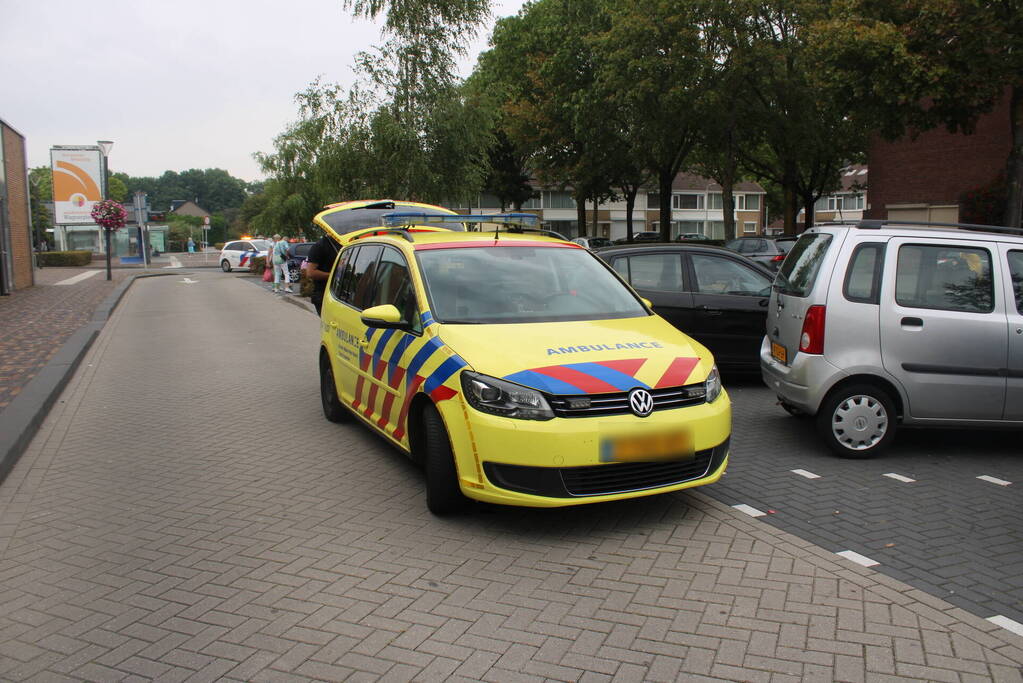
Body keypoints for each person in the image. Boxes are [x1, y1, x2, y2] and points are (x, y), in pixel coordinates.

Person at [306, 234, 340, 314]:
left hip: (339, 295)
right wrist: (335, 276)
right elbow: (310, 273)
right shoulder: (319, 246)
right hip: (323, 295)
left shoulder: (343, 243)